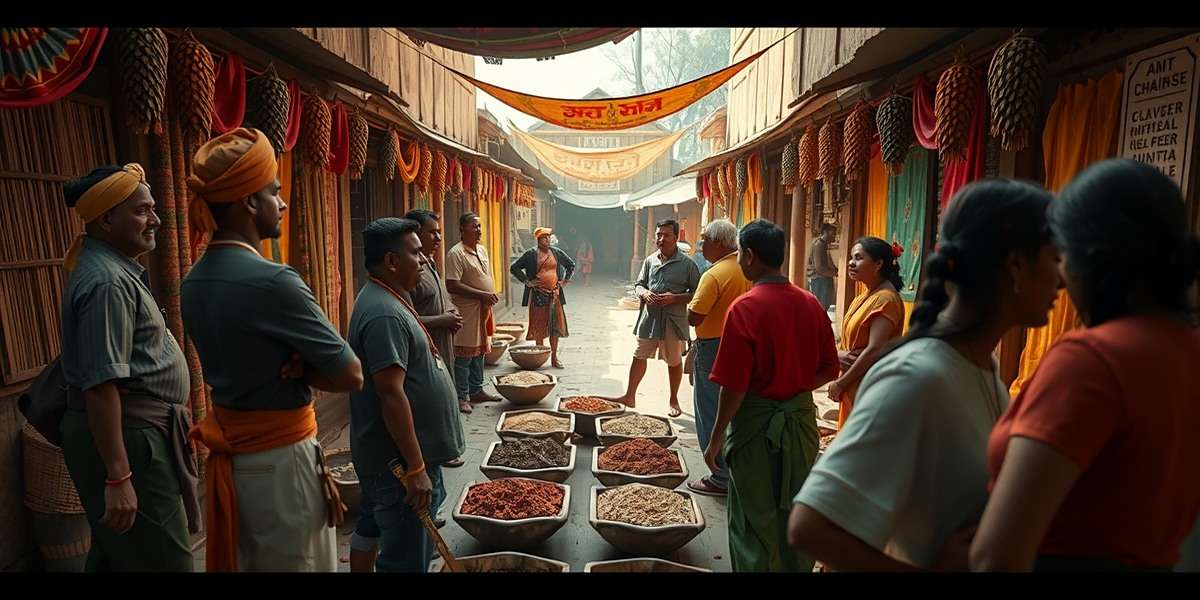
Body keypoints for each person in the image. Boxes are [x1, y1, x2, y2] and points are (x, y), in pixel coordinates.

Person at [788, 179, 1061, 571]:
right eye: (1054, 258)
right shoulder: (919, 377)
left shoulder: (984, 368)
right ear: (1016, 266)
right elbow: (810, 528)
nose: (1062, 278)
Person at [971, 159, 1200, 572]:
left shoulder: (1093, 360)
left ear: (1089, 256)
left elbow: (996, 558)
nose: (1061, 278)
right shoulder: (1186, 350)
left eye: (1062, 256)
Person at [182, 128, 364, 572]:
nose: (282, 203)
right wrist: (305, 370)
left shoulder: (193, 282)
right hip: (282, 466)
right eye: (274, 192)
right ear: (248, 202)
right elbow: (350, 374)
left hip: (236, 464)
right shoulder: (274, 281)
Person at [57, 163, 199, 571]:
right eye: (142, 211)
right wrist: (119, 477)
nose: (154, 219)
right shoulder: (108, 283)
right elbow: (101, 385)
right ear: (106, 219)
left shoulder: (115, 270)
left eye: (153, 208)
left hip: (138, 433)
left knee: (121, 555)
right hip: (132, 439)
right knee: (165, 559)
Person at [704, 219, 838, 572]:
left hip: (755, 426)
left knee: (752, 518)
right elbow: (829, 369)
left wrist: (716, 436)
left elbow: (734, 386)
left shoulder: (745, 308)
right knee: (794, 510)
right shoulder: (811, 305)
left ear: (749, 256)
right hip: (800, 424)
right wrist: (793, 389)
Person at [347, 218, 465, 573]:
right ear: (391, 261)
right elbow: (391, 394)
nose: (425, 260)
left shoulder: (392, 297)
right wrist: (415, 468)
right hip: (399, 467)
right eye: (416, 253)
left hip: (401, 459)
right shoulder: (384, 313)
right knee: (406, 558)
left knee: (385, 531)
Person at [684, 219, 750, 498]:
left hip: (714, 346)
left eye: (704, 240)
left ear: (720, 243)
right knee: (737, 409)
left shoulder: (714, 274)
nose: (701, 245)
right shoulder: (747, 269)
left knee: (711, 408)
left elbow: (694, 315)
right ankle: (736, 470)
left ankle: (720, 475)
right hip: (745, 345)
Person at [613, 219, 700, 417]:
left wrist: (674, 298)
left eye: (666, 235)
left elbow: (697, 293)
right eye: (658, 235)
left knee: (674, 360)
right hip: (649, 318)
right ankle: (630, 395)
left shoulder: (688, 264)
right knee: (639, 354)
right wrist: (643, 293)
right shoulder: (650, 260)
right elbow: (639, 284)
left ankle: (674, 400)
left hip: (673, 320)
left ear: (676, 237)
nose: (661, 239)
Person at [828, 237, 906, 429]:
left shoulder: (885, 300)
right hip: (854, 385)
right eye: (851, 258)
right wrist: (837, 355)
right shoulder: (864, 296)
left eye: (858, 258)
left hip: (869, 386)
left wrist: (841, 383)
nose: (851, 263)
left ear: (878, 264)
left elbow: (874, 350)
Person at [444, 213, 503, 406]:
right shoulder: (456, 253)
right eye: (474, 226)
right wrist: (481, 294)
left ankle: (477, 390)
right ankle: (462, 396)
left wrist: (488, 295)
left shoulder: (482, 250)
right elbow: (452, 284)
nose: (478, 230)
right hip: (466, 311)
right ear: (462, 229)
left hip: (483, 309)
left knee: (480, 352)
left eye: (479, 226)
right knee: (464, 355)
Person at [510, 227, 575, 368]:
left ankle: (554, 358)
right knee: (539, 327)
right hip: (538, 295)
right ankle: (539, 357)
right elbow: (514, 268)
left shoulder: (556, 253)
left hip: (555, 295)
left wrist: (564, 281)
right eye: (544, 237)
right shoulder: (530, 254)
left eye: (548, 237)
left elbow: (571, 265)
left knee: (556, 327)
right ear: (538, 240)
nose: (547, 240)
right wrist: (527, 282)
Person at [806, 223, 838, 311]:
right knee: (821, 306)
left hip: (823, 279)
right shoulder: (818, 244)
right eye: (833, 233)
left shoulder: (824, 245)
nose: (835, 236)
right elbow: (819, 267)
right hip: (819, 279)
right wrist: (835, 273)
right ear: (825, 232)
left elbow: (828, 262)